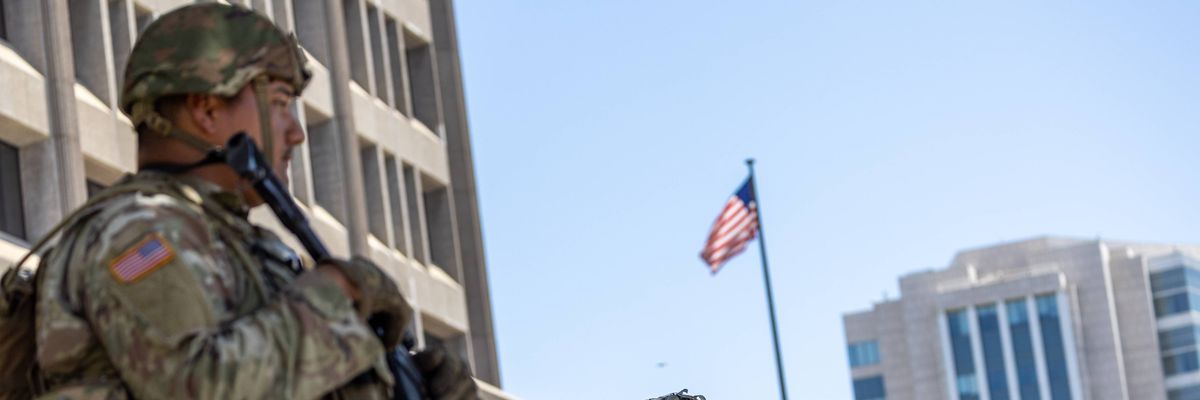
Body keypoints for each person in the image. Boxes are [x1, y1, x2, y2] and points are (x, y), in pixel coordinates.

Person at [25, 3, 477, 399]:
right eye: (280, 103)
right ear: (206, 111)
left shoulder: (241, 245)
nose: (296, 132)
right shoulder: (137, 234)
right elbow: (201, 388)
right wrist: (337, 296)